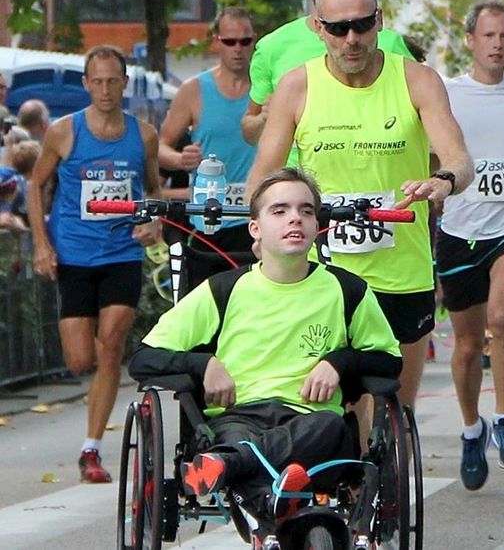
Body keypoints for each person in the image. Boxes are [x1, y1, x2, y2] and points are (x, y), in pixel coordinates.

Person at [128, 168, 402, 546]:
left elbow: (390, 362)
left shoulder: (347, 290)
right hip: (239, 418)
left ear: (316, 225)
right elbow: (142, 358)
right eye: (280, 210)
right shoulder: (223, 290)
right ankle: (271, 500)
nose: (295, 218)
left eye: (306, 211)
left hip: (312, 422)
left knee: (330, 428)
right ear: (255, 228)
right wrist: (202, 364)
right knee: (235, 438)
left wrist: (340, 363)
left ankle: (232, 466)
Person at [246, 0, 472, 412]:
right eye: (337, 28)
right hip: (323, 273)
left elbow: (460, 159)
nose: (351, 39)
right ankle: (349, 476)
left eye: (363, 25)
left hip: (401, 273)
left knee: (394, 407)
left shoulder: (417, 80)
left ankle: (387, 471)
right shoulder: (297, 86)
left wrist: (442, 180)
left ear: (380, 22)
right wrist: (263, 228)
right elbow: (262, 175)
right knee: (338, 406)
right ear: (317, 27)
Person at [27, 45, 163, 483]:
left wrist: (151, 222)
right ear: (86, 85)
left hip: (122, 252)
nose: (105, 89)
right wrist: (41, 244)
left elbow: (153, 192)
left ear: (125, 83)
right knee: (80, 358)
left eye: (113, 81)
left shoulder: (142, 134)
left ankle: (91, 449)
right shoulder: (65, 133)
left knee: (111, 345)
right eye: (97, 81)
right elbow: (35, 186)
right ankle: (91, 427)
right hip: (74, 254)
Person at [437, 0, 504, 489]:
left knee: (502, 317)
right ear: (471, 40)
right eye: (489, 36)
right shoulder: (448, 93)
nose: (498, 44)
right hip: (460, 230)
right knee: (466, 344)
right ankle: (471, 428)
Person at [241, 0, 413, 153]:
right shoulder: (273, 46)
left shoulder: (389, 42)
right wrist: (266, 117)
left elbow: (423, 120)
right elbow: (249, 132)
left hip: (375, 177)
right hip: (296, 181)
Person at [158, 7, 259, 288]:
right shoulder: (193, 90)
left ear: (254, 41)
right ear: (217, 41)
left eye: (245, 41)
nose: (237, 49)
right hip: (208, 222)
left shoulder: (270, 89)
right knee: (210, 312)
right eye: (229, 41)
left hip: (257, 218)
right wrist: (180, 159)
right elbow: (160, 146)